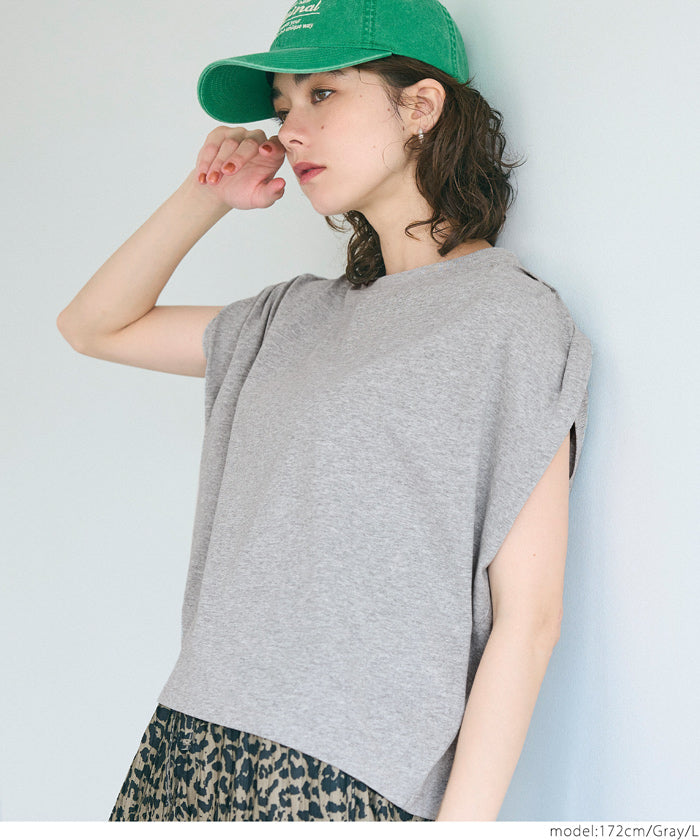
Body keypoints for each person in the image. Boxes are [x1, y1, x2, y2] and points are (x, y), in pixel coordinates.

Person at [57, 0, 593, 823]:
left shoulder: (509, 321)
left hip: (344, 775)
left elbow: (531, 620)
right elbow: (93, 326)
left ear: (420, 105)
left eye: (322, 94)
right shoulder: (292, 315)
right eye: (282, 107)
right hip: (188, 739)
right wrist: (206, 195)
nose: (291, 131)